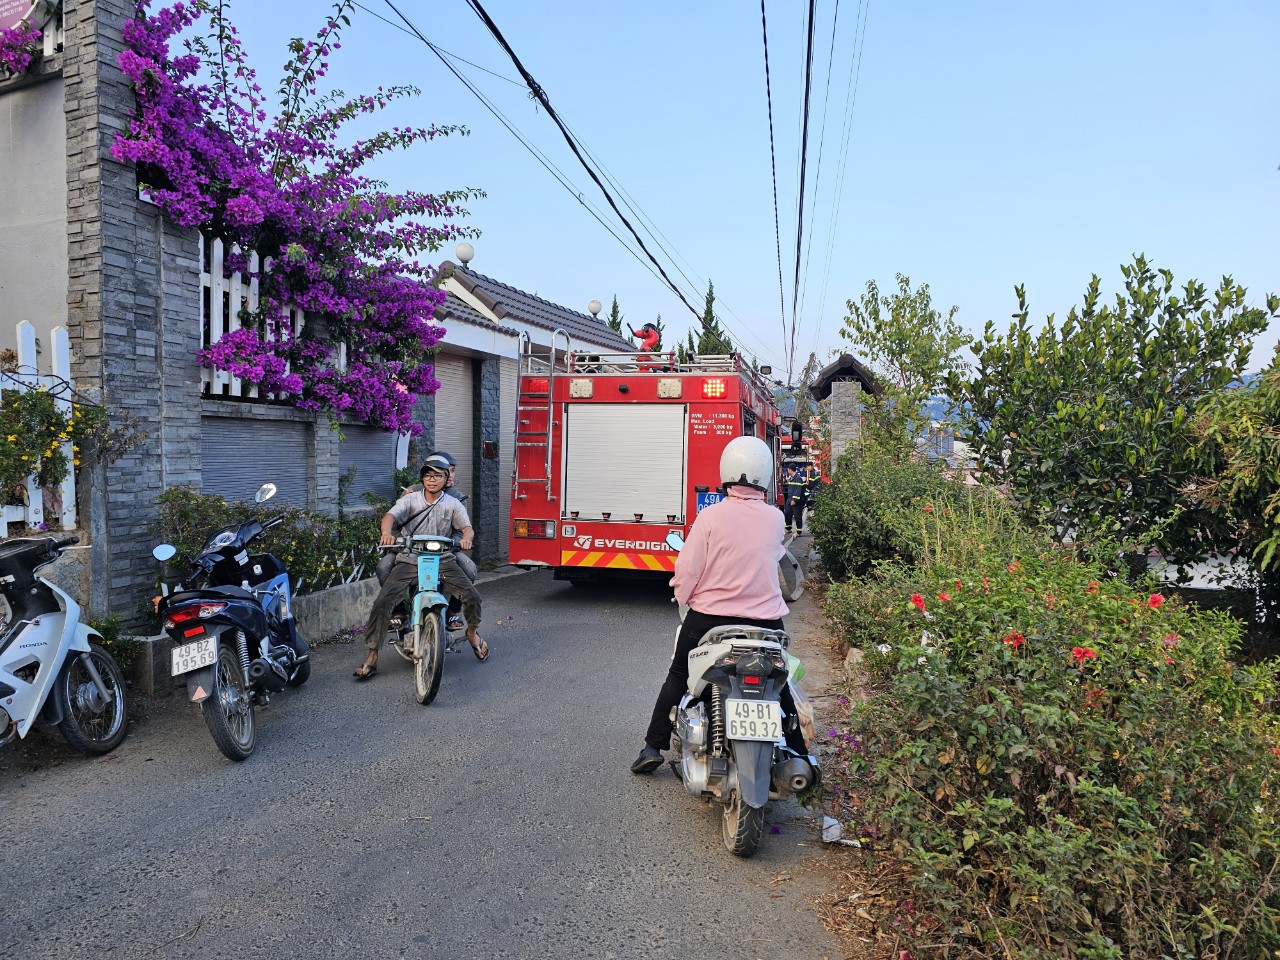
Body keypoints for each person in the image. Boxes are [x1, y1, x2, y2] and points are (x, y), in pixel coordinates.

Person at [631, 435, 808, 774]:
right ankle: (799, 752)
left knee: (678, 675)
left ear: (727, 471)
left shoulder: (711, 517)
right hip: (767, 622)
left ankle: (652, 746)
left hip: (710, 618)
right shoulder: (774, 518)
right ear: (765, 474)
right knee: (779, 681)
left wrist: (683, 597)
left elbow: (688, 569)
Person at [355, 454, 487, 680]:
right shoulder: (411, 499)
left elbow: (466, 527)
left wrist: (467, 538)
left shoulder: (453, 503)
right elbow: (390, 516)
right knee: (383, 601)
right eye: (428, 475)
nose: (432, 480)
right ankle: (373, 654)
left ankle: (472, 632)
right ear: (422, 478)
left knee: (472, 596)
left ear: (446, 479)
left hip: (443, 558)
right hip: (410, 557)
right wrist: (386, 533)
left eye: (438, 476)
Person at [783, 459, 817, 535]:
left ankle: (798, 531)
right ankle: (788, 528)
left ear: (790, 470)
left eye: (788, 469)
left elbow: (798, 490)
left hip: (796, 501)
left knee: (797, 515)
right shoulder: (792, 478)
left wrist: (794, 500)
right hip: (790, 499)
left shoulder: (798, 478)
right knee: (787, 513)